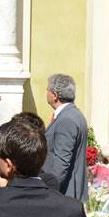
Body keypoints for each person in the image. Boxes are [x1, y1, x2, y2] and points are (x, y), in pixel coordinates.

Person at [42, 73, 89, 201]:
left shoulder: (66, 119)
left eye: (47, 90)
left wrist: (46, 192)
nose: (46, 92)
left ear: (55, 95)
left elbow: (61, 163)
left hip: (65, 194)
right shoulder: (74, 114)